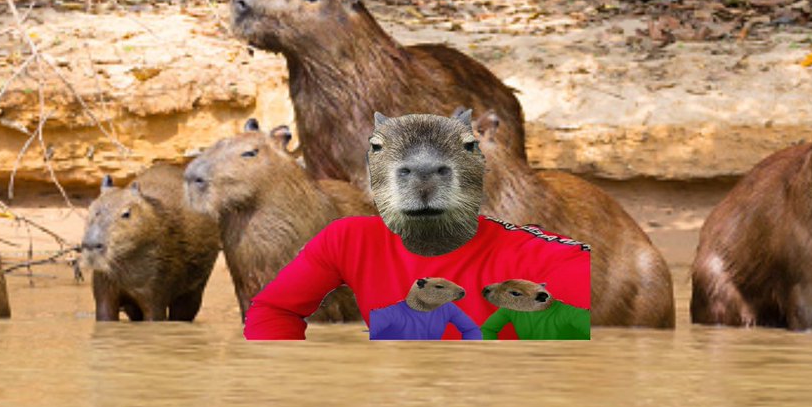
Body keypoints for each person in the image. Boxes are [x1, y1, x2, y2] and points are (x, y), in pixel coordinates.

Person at [243, 111, 591, 340]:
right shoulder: (347, 240)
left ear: (481, 168)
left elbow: (579, 339)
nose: (423, 171)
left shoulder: (547, 258)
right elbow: (274, 310)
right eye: (381, 148)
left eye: (466, 148)